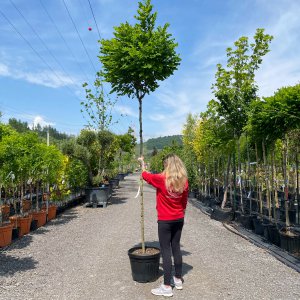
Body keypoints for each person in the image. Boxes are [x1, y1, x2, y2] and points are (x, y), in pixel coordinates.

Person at [139, 154, 189, 297]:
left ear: (167, 165)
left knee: (166, 250)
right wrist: (181, 212)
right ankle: (178, 279)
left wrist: (142, 162)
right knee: (176, 247)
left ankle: (167, 286)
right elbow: (184, 200)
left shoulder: (162, 179)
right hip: (179, 218)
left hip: (165, 220)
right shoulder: (184, 181)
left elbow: (145, 175)